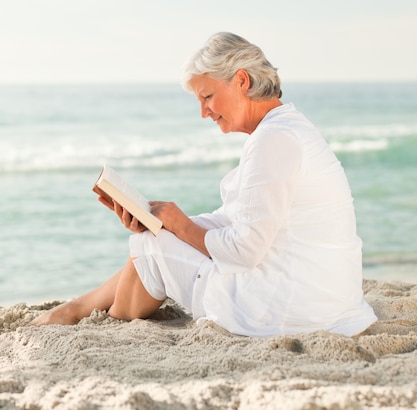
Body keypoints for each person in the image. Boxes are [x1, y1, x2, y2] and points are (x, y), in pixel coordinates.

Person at [31, 32, 377, 336]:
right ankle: (78, 309)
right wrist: (166, 221)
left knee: (152, 250)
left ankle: (102, 319)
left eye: (207, 97)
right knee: (157, 238)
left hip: (295, 308)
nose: (204, 112)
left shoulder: (274, 140)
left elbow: (244, 251)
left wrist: (179, 227)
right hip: (321, 296)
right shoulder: (285, 129)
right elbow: (239, 220)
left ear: (241, 80)